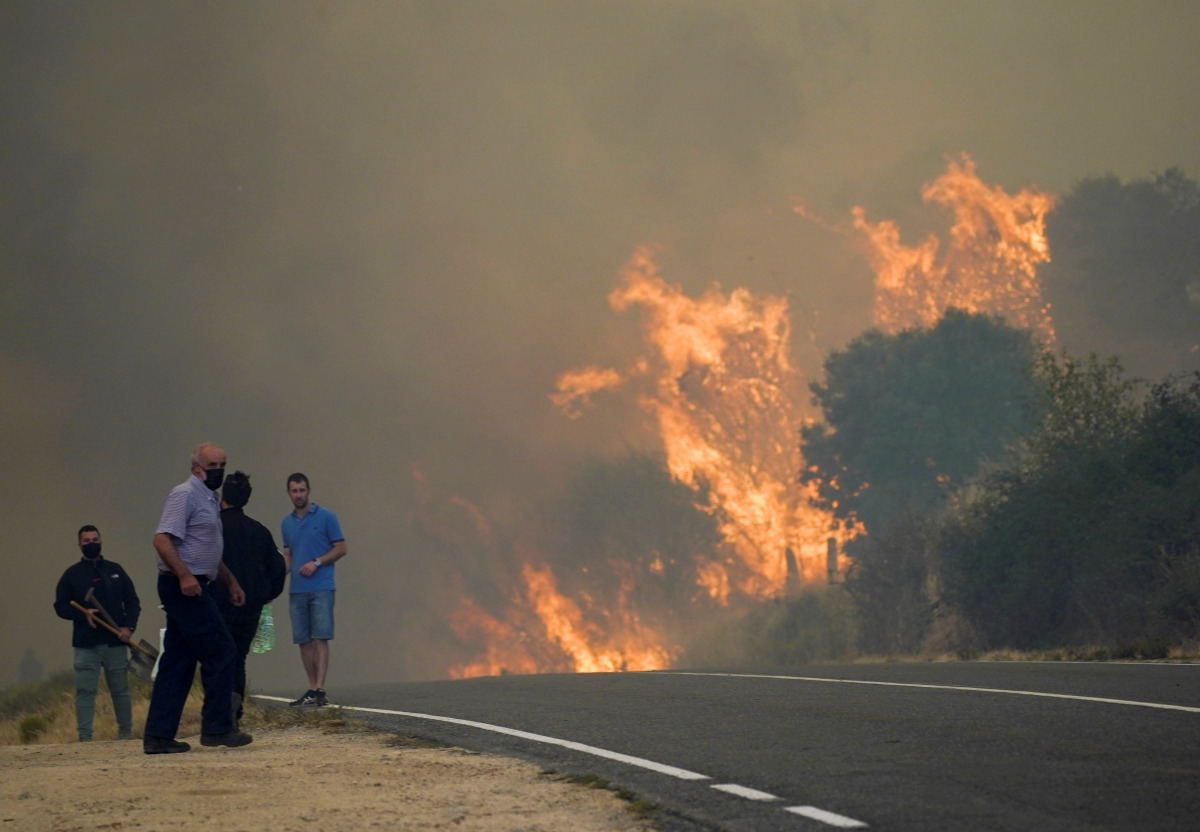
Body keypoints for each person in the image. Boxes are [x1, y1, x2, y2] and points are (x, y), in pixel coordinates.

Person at [143, 442, 253, 754]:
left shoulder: (209, 497)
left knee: (177, 661)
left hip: (195, 583)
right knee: (222, 650)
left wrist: (230, 581)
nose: (219, 471)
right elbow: (161, 540)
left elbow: (204, 549)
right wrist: (185, 575)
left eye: (223, 465)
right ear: (196, 468)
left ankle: (158, 737)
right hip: (184, 587)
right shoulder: (185, 494)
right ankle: (217, 728)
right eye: (213, 466)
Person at [53, 525, 141, 741]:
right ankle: (85, 738)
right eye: (87, 541)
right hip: (86, 646)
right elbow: (60, 606)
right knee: (85, 692)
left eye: (95, 540)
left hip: (115, 643)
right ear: (79, 544)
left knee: (120, 691)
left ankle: (125, 734)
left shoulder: (116, 570)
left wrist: (128, 627)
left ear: (101, 541)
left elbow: (132, 601)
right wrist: (83, 614)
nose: (91, 544)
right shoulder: (71, 575)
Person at [213, 471, 286, 726]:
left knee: (218, 659)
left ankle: (219, 715)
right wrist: (263, 596)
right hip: (250, 610)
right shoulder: (260, 532)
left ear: (223, 495)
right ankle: (234, 712)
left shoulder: (213, 528)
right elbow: (278, 569)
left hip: (218, 607)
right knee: (238, 659)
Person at [281, 472, 346, 707]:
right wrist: (274, 577)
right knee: (303, 640)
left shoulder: (327, 516)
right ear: (289, 493)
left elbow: (340, 547)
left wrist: (317, 562)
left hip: (321, 586)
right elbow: (289, 555)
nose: (298, 495)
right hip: (297, 589)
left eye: (302, 490)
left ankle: (320, 688)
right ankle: (311, 688)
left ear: (308, 490)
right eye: (294, 491)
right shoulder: (286, 523)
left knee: (320, 637)